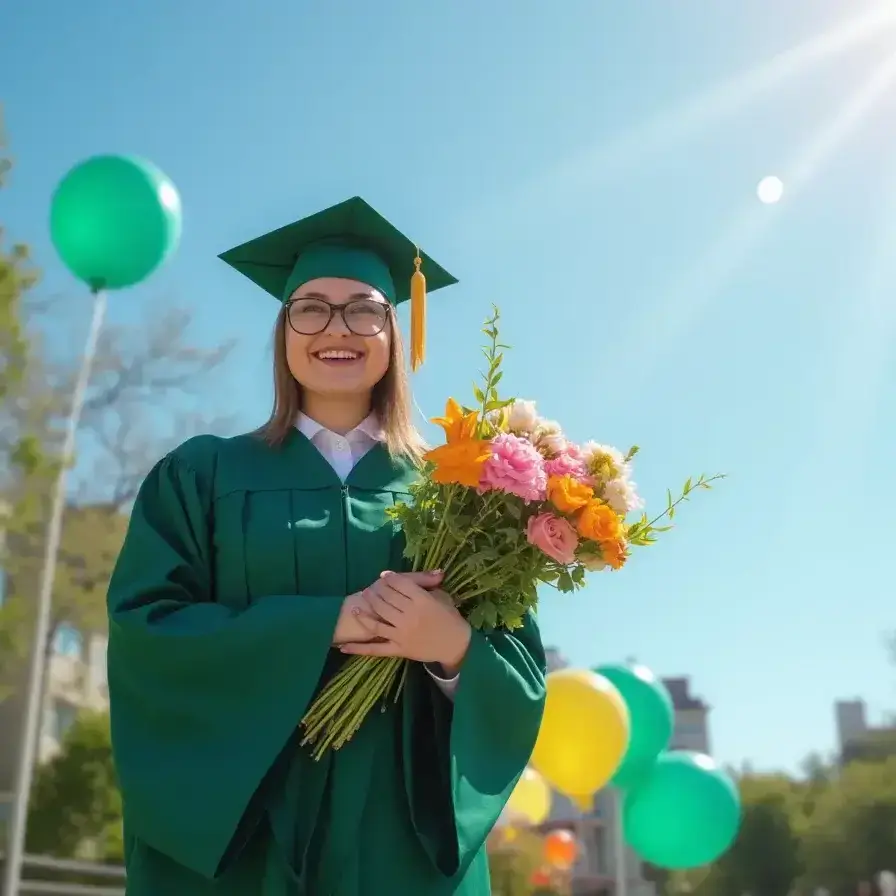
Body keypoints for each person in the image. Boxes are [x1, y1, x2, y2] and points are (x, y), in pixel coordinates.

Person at [106, 196, 547, 896]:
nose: (336, 328)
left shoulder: (464, 488)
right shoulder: (202, 474)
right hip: (248, 835)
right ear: (283, 331)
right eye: (310, 307)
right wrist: (327, 624)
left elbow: (521, 673)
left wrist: (453, 648)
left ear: (393, 332)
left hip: (399, 837)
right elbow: (146, 632)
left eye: (364, 308)